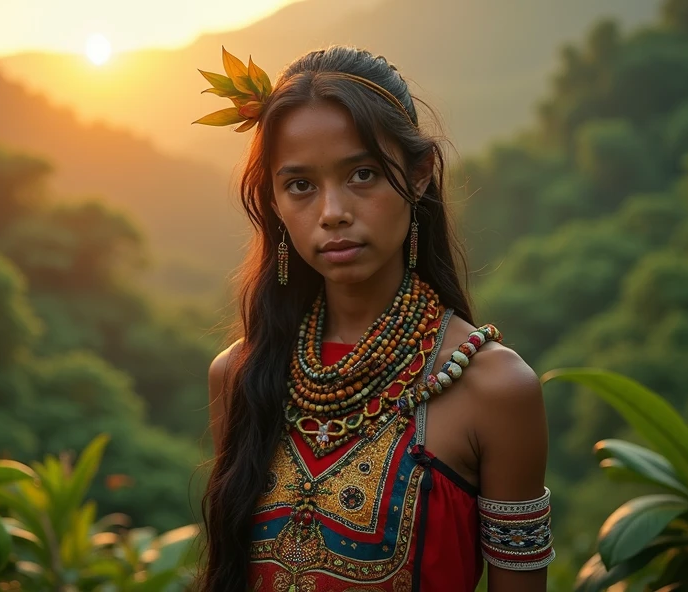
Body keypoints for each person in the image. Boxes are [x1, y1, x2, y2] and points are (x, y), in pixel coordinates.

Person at [194, 45, 553, 592]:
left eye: (361, 174)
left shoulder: (495, 390)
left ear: (419, 174)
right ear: (272, 201)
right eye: (300, 185)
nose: (332, 211)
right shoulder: (240, 374)